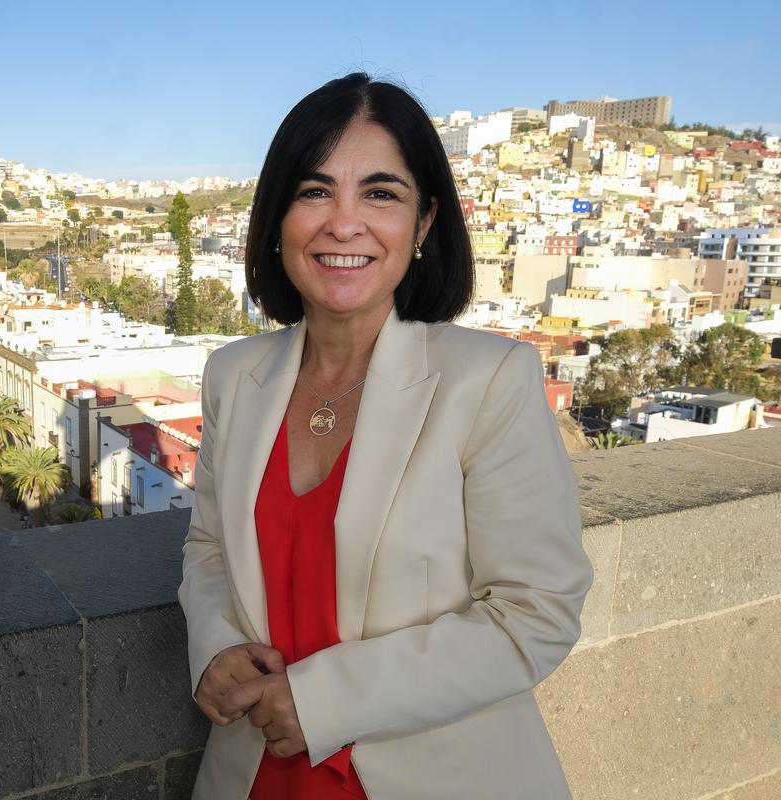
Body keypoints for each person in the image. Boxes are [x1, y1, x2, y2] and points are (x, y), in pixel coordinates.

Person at [178, 73, 594, 799]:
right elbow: (209, 549)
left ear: (425, 223)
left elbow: (536, 613)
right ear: (277, 219)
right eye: (313, 192)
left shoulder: (488, 379)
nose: (344, 223)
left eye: (380, 193)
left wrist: (326, 700)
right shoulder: (232, 375)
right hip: (256, 772)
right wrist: (213, 649)